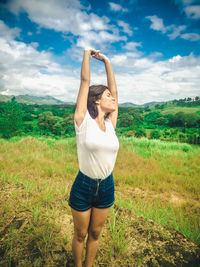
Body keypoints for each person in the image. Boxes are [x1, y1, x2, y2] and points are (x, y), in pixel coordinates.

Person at [68, 47, 119, 267]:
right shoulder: (83, 121)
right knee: (80, 234)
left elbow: (115, 90)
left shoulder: (110, 124)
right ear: (97, 100)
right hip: (83, 186)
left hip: (107, 185)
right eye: (108, 96)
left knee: (96, 233)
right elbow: (84, 81)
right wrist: (87, 54)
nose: (113, 98)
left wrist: (107, 61)